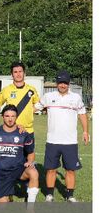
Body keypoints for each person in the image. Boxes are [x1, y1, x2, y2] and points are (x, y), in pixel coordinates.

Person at [36, 70, 89, 202]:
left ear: (68, 83)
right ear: (57, 83)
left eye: (65, 83)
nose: (62, 85)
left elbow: (82, 114)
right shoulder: (48, 97)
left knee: (70, 170)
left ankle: (70, 195)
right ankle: (49, 195)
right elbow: (34, 108)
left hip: (70, 142)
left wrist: (85, 131)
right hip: (52, 141)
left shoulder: (76, 97)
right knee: (51, 169)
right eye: (60, 82)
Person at [0, 105, 39, 204]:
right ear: (2, 117)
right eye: (7, 116)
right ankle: (8, 194)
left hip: (19, 169)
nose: (10, 119)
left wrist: (30, 161)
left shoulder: (24, 134)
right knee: (3, 205)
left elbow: (31, 152)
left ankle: (30, 208)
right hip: (3, 173)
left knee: (33, 172)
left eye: (13, 116)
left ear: (16, 117)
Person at [0, 62, 40, 140]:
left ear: (24, 73)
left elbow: (38, 105)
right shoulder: (6, 90)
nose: (18, 74)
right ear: (12, 75)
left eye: (20, 71)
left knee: (29, 152)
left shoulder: (31, 90)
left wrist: (29, 112)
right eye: (15, 72)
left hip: (28, 131)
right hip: (11, 131)